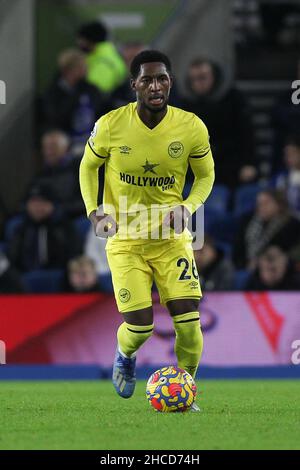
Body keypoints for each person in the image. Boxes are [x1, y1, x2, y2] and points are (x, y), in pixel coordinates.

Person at [79, 50, 215, 409]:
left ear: (170, 81)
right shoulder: (110, 125)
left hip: (171, 242)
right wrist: (95, 213)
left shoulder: (191, 127)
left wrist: (187, 207)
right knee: (141, 328)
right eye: (147, 80)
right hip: (125, 241)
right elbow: (87, 167)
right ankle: (124, 354)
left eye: (163, 79)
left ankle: (186, 392)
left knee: (188, 322)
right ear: (134, 84)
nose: (156, 86)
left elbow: (205, 176)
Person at [183, 58, 255, 188]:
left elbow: (246, 134)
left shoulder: (234, 100)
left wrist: (248, 163)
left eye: (203, 77)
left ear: (214, 76)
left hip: (230, 168)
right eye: (193, 79)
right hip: (195, 172)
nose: (198, 83)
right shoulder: (184, 105)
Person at [41, 49, 106, 154]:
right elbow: (55, 118)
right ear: (68, 70)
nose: (85, 71)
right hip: (65, 138)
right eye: (81, 67)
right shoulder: (53, 92)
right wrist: (75, 96)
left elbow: (101, 111)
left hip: (91, 137)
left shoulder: (91, 89)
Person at [7, 184, 82, 272]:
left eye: (42, 202)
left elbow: (73, 255)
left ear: (52, 204)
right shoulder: (21, 228)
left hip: (58, 276)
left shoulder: (64, 227)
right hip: (24, 278)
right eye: (33, 202)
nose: (37, 207)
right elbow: (12, 257)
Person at [233, 189, 300, 270]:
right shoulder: (248, 220)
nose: (261, 207)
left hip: (277, 270)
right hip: (246, 266)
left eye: (266, 203)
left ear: (278, 204)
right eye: (259, 204)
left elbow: (288, 252)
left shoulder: (292, 224)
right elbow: (238, 248)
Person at [31, 130, 84, 218]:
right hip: (45, 219)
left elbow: (87, 203)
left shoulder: (79, 169)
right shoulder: (41, 174)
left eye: (53, 147)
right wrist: (31, 206)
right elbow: (27, 199)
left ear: (66, 148)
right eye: (45, 147)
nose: (48, 152)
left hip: (73, 218)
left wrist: (57, 209)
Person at [77, 21, 127, 94]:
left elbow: (92, 92)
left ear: (90, 40)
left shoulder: (104, 63)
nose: (78, 43)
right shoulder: (104, 56)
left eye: (81, 39)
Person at [275, 136, 300, 216]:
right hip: (290, 221)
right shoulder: (282, 178)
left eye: (293, 153)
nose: (288, 157)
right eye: (286, 154)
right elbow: (279, 204)